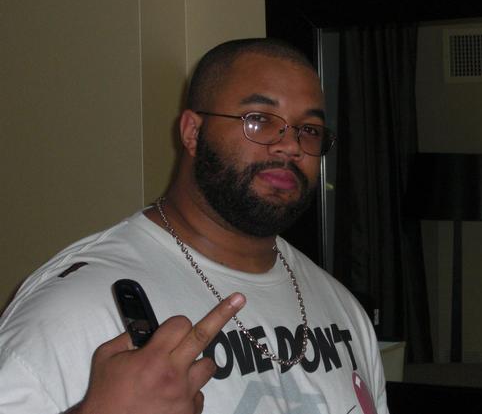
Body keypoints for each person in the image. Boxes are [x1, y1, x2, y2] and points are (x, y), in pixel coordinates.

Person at [0, 38, 389, 414]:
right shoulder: (76, 305)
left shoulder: (342, 309)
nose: (290, 145)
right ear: (192, 132)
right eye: (259, 120)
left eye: (310, 130)